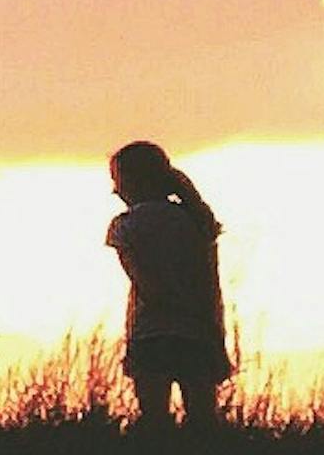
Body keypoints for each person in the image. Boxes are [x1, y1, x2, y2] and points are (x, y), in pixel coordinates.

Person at [111, 141, 232, 431]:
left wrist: (164, 302)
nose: (115, 190)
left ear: (132, 181)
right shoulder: (196, 220)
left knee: (154, 421)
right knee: (203, 422)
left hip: (152, 331)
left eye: (117, 180)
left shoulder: (125, 226)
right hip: (199, 329)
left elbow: (141, 279)